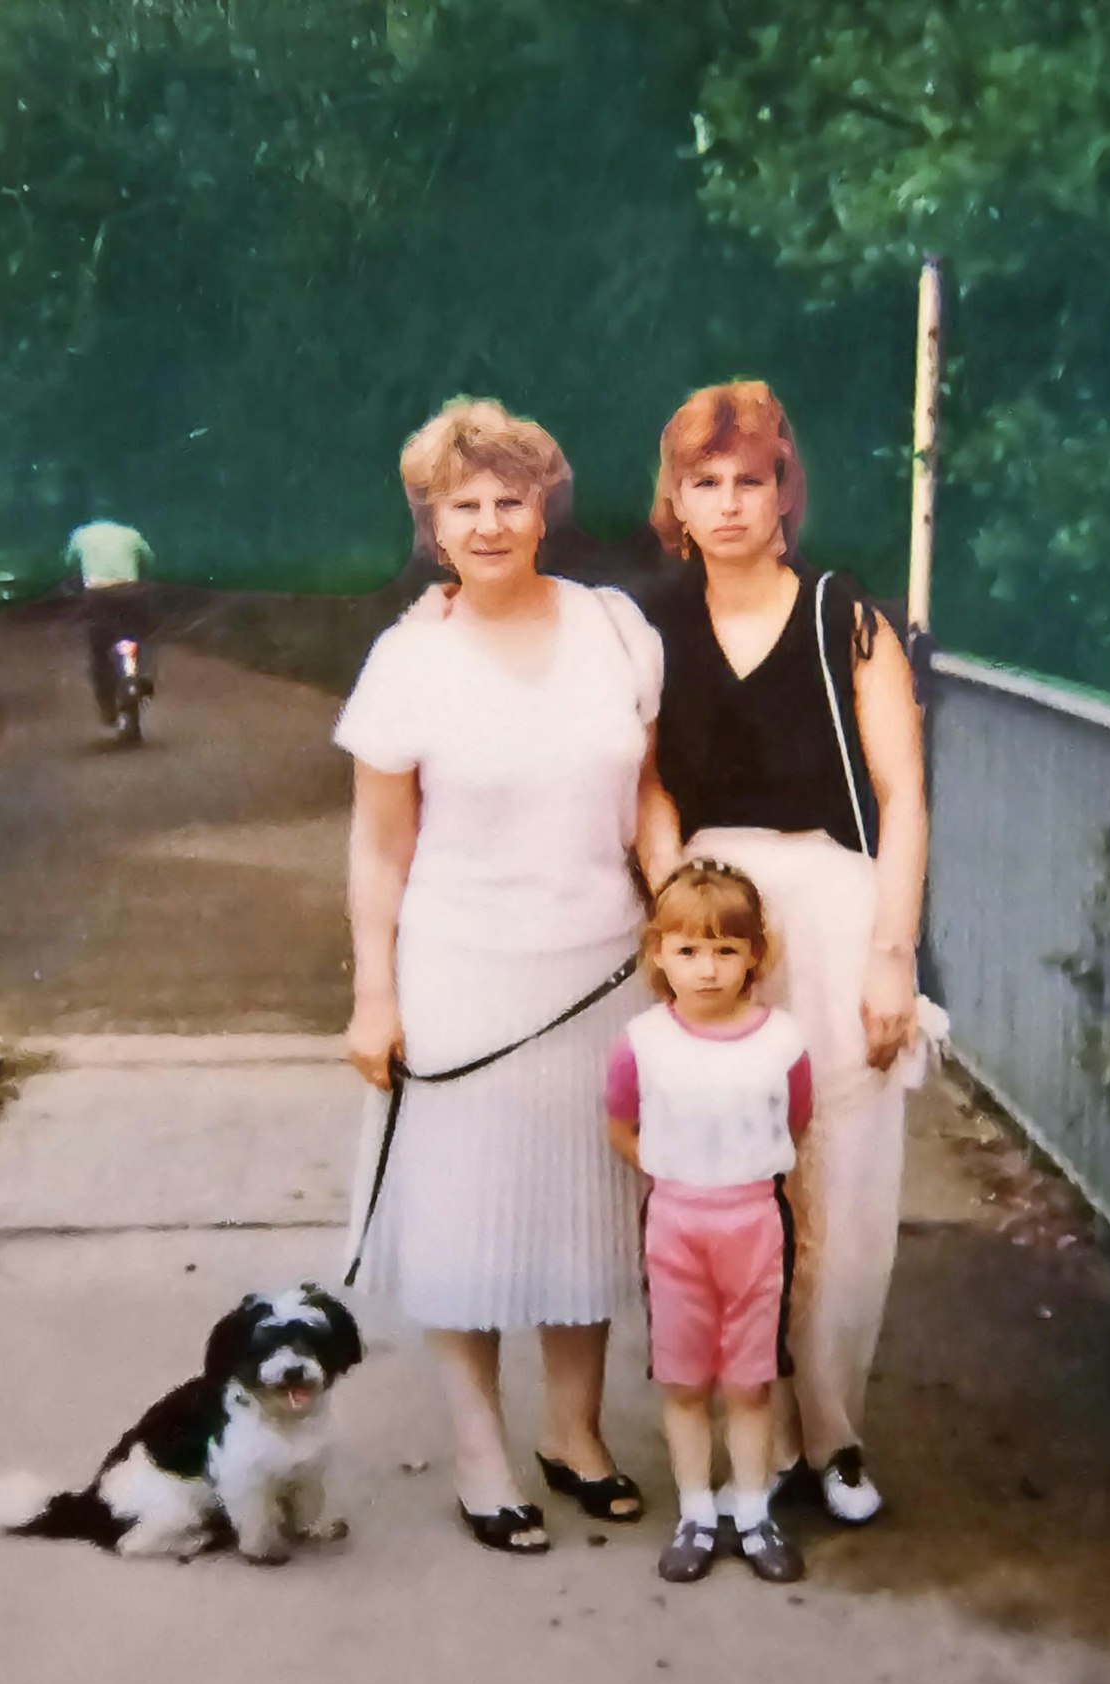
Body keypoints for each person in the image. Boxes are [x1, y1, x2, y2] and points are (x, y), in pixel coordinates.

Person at [335, 398, 670, 1556]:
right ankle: (480, 1445)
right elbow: (379, 843)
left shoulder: (616, 629)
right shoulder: (408, 657)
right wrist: (375, 995)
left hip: (601, 966)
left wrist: (673, 919)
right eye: (462, 506)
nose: (487, 523)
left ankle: (573, 1433)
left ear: (543, 511)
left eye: (508, 501)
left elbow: (650, 795)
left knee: (585, 1214)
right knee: (466, 1223)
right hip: (458, 969)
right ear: (432, 528)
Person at [644, 380, 930, 1526]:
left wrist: (890, 952)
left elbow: (903, 794)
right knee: (719, 1173)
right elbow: (646, 785)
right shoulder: (651, 626)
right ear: (674, 498)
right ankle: (731, 1432)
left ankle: (835, 1433)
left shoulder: (841, 619)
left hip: (830, 896)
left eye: (746, 481)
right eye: (702, 483)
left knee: (843, 1181)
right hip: (709, 912)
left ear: (781, 491)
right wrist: (670, 913)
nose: (725, 504)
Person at [605, 859, 811, 1585]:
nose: (708, 968)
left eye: (727, 949)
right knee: (685, 1381)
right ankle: (696, 1511)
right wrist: (671, 1167)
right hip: (676, 1225)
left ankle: (753, 1514)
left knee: (751, 1382)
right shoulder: (643, 1041)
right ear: (658, 952)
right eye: (689, 950)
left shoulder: (781, 1040)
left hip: (755, 1222)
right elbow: (621, 1122)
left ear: (756, 953)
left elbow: (796, 1117)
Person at [64, 518, 155, 725]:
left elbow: (69, 564)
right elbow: (149, 561)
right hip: (131, 594)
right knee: (139, 638)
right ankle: (141, 674)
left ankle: (107, 705)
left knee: (100, 650)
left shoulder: (81, 534)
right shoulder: (132, 533)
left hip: (98, 596)